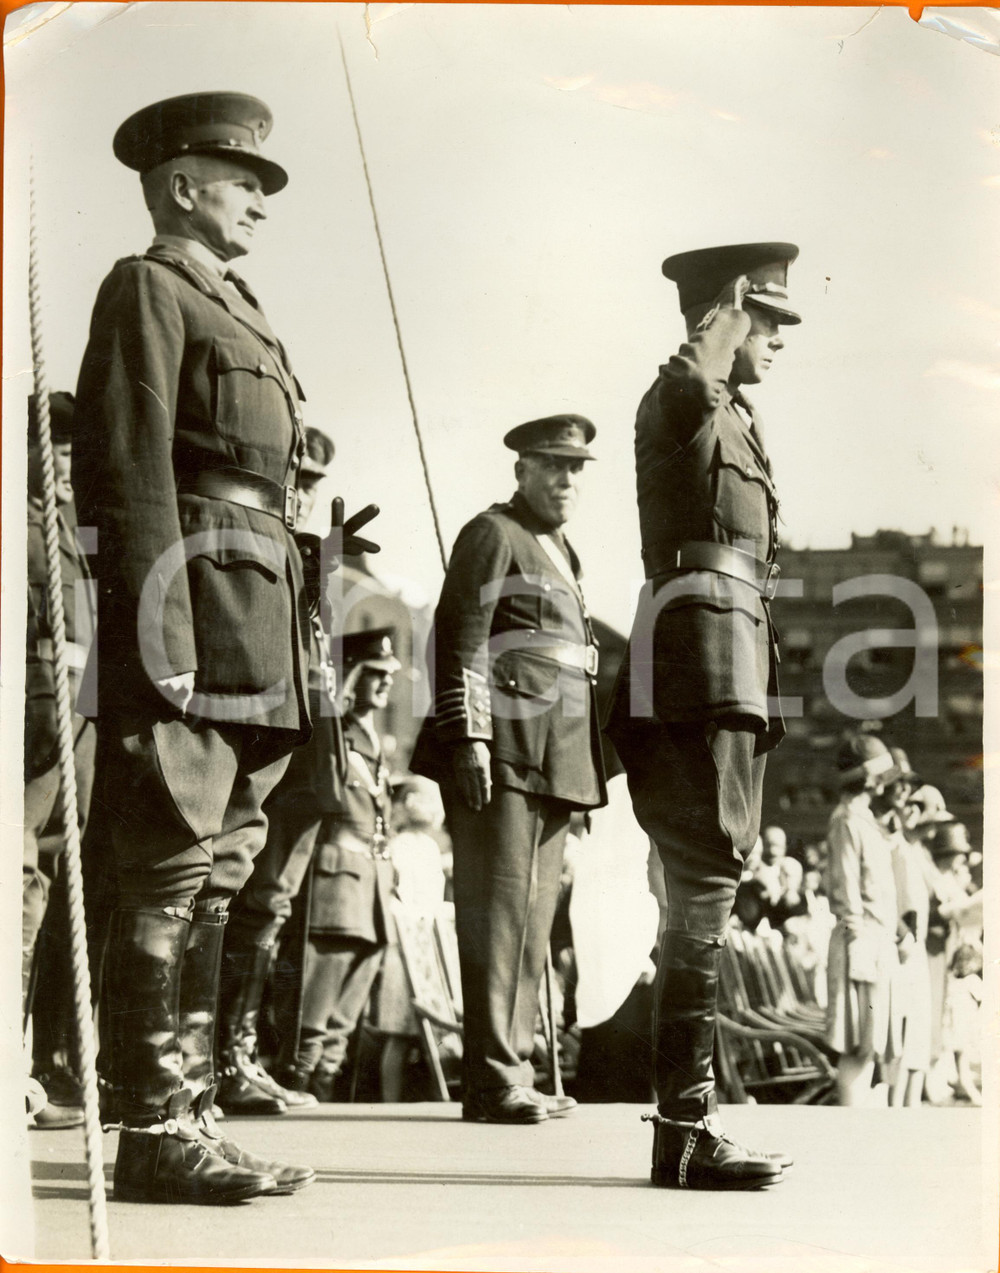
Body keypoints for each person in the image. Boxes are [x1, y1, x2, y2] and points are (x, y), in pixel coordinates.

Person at [72, 92, 376, 1204]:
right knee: (166, 866)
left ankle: (193, 1111)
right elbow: (132, 467)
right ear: (179, 185)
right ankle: (152, 1123)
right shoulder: (147, 285)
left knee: (222, 874)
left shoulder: (237, 305)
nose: (258, 198)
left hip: (255, 620)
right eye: (240, 177)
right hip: (194, 612)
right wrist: (162, 636)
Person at [604, 242, 800, 1188]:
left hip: (731, 668)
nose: (776, 340)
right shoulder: (682, 397)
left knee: (709, 889)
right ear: (725, 312)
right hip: (695, 667)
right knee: (704, 890)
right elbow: (691, 379)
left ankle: (688, 1124)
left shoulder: (738, 417)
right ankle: (685, 1128)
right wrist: (720, 326)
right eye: (765, 320)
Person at [411, 415, 607, 1124]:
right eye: (552, 465)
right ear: (521, 470)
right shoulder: (493, 533)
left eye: (577, 467)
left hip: (556, 755)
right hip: (504, 751)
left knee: (531, 919)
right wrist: (468, 736)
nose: (566, 479)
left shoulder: (563, 552)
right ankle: (492, 1075)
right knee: (497, 918)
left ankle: (512, 1066)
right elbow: (459, 633)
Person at [214, 426, 337, 1116]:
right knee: (234, 892)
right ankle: (219, 1058)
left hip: (308, 761)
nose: (305, 494)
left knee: (269, 904)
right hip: (261, 745)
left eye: (315, 484)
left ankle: (239, 1052)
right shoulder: (255, 545)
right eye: (299, 477)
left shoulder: (313, 558)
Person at [280, 628, 400, 1100]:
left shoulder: (373, 739)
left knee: (343, 1026)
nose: (385, 684)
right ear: (353, 675)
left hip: (372, 888)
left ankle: (323, 1102)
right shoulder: (336, 732)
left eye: (389, 675)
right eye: (374, 674)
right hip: (337, 883)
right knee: (314, 1013)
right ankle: (297, 1086)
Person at [23, 391, 96, 1129]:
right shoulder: (24, 525)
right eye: (60, 451)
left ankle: (32, 1065)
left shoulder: (69, 531)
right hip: (34, 719)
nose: (69, 467)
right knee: (19, 881)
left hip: (68, 727)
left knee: (41, 886)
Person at [824, 734, 902, 1107]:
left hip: (876, 938)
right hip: (861, 939)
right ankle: (851, 1121)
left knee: (871, 1040)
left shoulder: (867, 820)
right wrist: (858, 937)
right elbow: (844, 883)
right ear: (869, 778)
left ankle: (858, 1120)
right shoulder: (846, 820)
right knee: (859, 1041)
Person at [375, 775, 448, 1101]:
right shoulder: (397, 846)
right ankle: (389, 1101)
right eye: (426, 800)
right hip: (404, 948)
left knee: (438, 1034)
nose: (436, 810)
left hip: (430, 946)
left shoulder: (431, 847)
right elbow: (395, 897)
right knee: (399, 1034)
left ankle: (441, 1098)